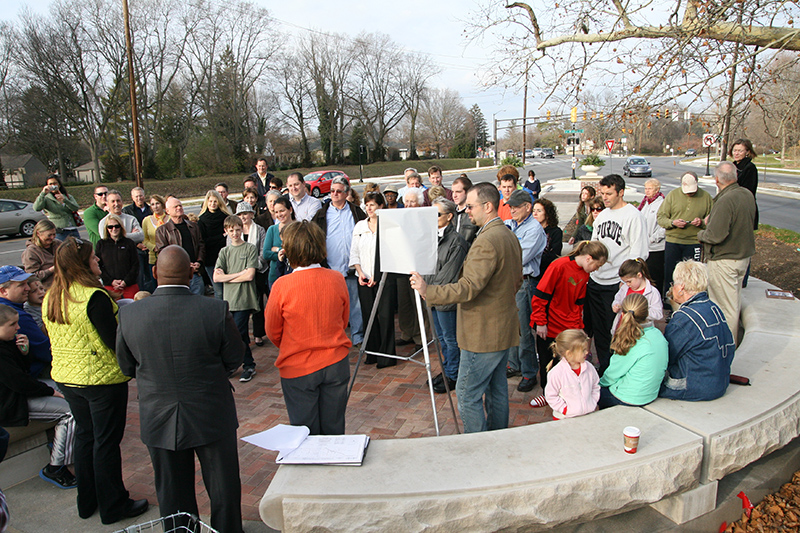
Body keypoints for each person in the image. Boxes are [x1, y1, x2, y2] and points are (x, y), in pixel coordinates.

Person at [117, 245, 244, 533]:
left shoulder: (130, 315)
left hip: (158, 412)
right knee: (223, 487)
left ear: (154, 273)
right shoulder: (214, 309)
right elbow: (234, 358)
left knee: (172, 492)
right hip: (211, 410)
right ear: (190, 273)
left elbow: (126, 367)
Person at [43, 237, 147, 524]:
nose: (97, 261)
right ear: (81, 265)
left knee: (87, 437)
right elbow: (113, 342)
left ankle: (86, 501)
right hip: (100, 382)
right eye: (92, 258)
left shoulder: (54, 295)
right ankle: (114, 505)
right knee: (106, 443)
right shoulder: (93, 297)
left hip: (67, 378)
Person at [410, 182, 523, 433]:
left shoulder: (487, 241)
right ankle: (495, 441)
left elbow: (468, 287)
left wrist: (429, 291)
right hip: (501, 328)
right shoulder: (507, 234)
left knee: (466, 394)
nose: (467, 212)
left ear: (488, 206)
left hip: (482, 334)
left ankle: (480, 449)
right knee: (496, 391)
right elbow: (516, 280)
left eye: (470, 207)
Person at [266, 221, 351, 435]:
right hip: (335, 363)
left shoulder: (282, 286)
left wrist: (293, 343)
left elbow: (273, 331)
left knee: (305, 434)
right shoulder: (337, 279)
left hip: (298, 367)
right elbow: (343, 319)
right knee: (334, 429)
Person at [0, 303, 77, 489]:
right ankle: (56, 467)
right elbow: (19, 382)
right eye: (12, 325)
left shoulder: (7, 342)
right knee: (71, 412)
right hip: (10, 402)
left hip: (20, 393)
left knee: (70, 391)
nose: (18, 328)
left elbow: (23, 372)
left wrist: (25, 352)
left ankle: (64, 445)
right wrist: (51, 392)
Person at [587, 174, 648, 376]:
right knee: (600, 331)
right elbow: (594, 246)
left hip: (616, 283)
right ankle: (605, 369)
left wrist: (626, 282)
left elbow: (639, 252)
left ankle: (618, 370)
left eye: (609, 193)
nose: (605, 197)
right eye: (602, 193)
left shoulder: (633, 215)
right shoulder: (602, 216)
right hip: (596, 280)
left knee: (616, 330)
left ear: (621, 192)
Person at [529, 241, 608, 396]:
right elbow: (540, 296)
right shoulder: (559, 266)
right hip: (549, 324)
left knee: (565, 363)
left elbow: (578, 303)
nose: (596, 270)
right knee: (547, 362)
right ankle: (548, 394)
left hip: (568, 326)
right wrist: (541, 322)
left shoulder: (584, 273)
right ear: (589, 258)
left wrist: (578, 325)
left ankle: (562, 393)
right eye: (597, 266)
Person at [697, 161, 756, 342]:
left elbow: (716, 235)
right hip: (742, 258)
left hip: (725, 260)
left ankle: (726, 347)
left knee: (724, 308)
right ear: (735, 177)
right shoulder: (746, 194)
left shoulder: (725, 200)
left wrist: (701, 233)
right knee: (734, 304)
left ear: (717, 180)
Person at [660, 260, 735, 401]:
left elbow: (666, 357)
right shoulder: (713, 307)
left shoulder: (684, 319)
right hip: (719, 382)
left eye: (673, 284)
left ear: (681, 287)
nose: (672, 288)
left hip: (694, 386)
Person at [311, 176, 367, 347]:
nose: (334, 194)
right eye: (332, 191)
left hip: (352, 268)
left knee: (355, 305)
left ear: (347, 193)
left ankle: (358, 337)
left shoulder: (357, 212)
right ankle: (336, 338)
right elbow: (314, 239)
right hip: (330, 268)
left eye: (338, 191)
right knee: (332, 307)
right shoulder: (321, 214)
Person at [424, 198, 469, 394]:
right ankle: (446, 369)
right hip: (432, 297)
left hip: (445, 299)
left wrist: (428, 290)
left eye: (438, 214)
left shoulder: (456, 241)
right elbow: (426, 265)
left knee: (451, 339)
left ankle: (453, 374)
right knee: (441, 338)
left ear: (449, 216)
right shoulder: (431, 236)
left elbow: (448, 275)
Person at [504, 190, 546, 393]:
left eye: (515, 206)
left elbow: (519, 258)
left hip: (524, 283)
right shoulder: (511, 224)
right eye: (510, 206)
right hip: (510, 282)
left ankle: (529, 372)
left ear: (527, 207)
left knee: (524, 331)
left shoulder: (534, 229)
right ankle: (514, 365)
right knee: (511, 327)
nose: (511, 210)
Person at [350, 192, 397, 368]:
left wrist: (378, 276)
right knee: (368, 316)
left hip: (384, 279)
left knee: (385, 317)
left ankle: (387, 356)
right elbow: (354, 252)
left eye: (373, 205)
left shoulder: (388, 227)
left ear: (381, 206)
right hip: (363, 279)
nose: (369, 208)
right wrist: (360, 272)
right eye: (367, 205)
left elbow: (392, 254)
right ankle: (372, 353)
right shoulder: (360, 226)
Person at [598, 293, 668, 408]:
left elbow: (612, 374)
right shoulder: (658, 335)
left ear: (624, 314)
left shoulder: (630, 340)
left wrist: (598, 384)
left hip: (626, 397)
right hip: (651, 394)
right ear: (647, 312)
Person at [213, 216, 259, 384]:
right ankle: (236, 363)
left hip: (244, 299)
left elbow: (250, 275)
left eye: (237, 229)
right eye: (231, 230)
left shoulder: (250, 248)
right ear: (226, 232)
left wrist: (227, 277)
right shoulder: (224, 252)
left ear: (242, 229)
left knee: (239, 332)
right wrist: (239, 274)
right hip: (229, 300)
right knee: (231, 334)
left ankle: (248, 365)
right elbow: (217, 278)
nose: (235, 233)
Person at [656, 172, 713, 302]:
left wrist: (702, 222)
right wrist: (672, 223)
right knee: (671, 272)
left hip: (694, 241)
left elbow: (713, 220)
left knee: (693, 276)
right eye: (687, 191)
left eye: (692, 191)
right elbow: (661, 217)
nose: (689, 194)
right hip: (674, 240)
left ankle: (692, 301)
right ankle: (670, 302)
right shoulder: (672, 196)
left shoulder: (706, 197)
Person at [0, 266, 52, 381]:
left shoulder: (9, 308)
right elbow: (46, 351)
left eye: (26, 283)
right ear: (4, 291)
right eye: (21, 285)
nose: (27, 288)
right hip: (35, 373)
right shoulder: (17, 316)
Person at [542, 329, 599, 419]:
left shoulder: (589, 368)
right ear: (569, 354)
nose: (587, 352)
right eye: (583, 350)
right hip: (564, 418)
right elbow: (551, 395)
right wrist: (564, 409)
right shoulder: (556, 373)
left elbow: (595, 385)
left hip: (587, 415)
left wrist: (592, 402)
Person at [233, 203, 268, 348]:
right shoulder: (234, 231)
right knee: (242, 306)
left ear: (252, 214)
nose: (243, 217)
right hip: (240, 273)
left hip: (258, 271)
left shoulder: (259, 230)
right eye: (240, 215)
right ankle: (243, 336)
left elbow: (263, 251)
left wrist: (252, 266)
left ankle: (259, 334)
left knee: (258, 304)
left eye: (246, 214)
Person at [155, 197, 206, 296]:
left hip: (195, 273)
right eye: (175, 206)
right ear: (168, 211)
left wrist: (199, 262)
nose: (179, 208)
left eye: (180, 205)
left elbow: (201, 245)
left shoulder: (193, 226)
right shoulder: (162, 231)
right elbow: (162, 252)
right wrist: (185, 264)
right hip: (177, 276)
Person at [610, 258, 663, 334]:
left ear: (639, 275)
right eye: (625, 282)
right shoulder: (624, 288)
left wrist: (641, 312)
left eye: (629, 281)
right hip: (622, 329)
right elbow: (617, 299)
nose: (628, 284)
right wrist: (615, 305)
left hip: (641, 332)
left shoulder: (652, 292)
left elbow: (658, 314)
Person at [96, 214, 140, 300]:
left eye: (117, 226)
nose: (114, 229)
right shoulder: (101, 244)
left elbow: (135, 264)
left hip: (129, 285)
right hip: (110, 286)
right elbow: (99, 266)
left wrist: (126, 281)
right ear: (106, 228)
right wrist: (111, 281)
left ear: (121, 227)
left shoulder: (129, 243)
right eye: (110, 227)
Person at [199, 190, 230, 300]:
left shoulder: (225, 217)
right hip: (210, 259)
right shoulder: (202, 220)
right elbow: (203, 241)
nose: (213, 204)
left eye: (215, 201)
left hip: (226, 257)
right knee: (218, 291)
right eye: (210, 201)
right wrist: (221, 237)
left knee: (229, 289)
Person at [123, 187, 154, 292]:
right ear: (132, 197)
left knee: (151, 274)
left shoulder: (151, 209)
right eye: (136, 196)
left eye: (141, 195)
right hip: (136, 248)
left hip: (151, 246)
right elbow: (127, 233)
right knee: (140, 275)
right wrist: (137, 244)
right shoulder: (127, 211)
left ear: (144, 196)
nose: (139, 198)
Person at [638, 179, 666, 296]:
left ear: (657, 189)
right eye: (646, 188)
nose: (647, 191)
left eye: (650, 189)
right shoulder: (645, 203)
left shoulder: (662, 203)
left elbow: (663, 226)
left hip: (657, 247)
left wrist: (653, 239)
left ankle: (657, 298)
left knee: (655, 276)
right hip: (644, 246)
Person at [32, 175, 80, 241]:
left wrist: (65, 200)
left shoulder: (67, 196)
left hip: (73, 229)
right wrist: (43, 193)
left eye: (55, 183)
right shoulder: (46, 198)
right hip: (59, 231)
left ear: (59, 184)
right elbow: (36, 208)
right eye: (50, 184)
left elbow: (75, 208)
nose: (53, 186)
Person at [263, 196, 296, 290]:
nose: (279, 214)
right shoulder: (272, 230)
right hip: (275, 276)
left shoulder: (299, 228)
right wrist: (281, 253)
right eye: (276, 212)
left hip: (294, 275)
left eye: (282, 211)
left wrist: (277, 249)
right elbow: (266, 254)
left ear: (290, 209)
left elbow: (298, 252)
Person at [21, 220, 62, 290]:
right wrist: (51, 270)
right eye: (49, 235)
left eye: (54, 234)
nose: (52, 238)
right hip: (48, 289)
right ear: (38, 233)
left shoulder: (58, 244)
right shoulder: (31, 252)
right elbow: (31, 277)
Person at [141, 195, 169, 293]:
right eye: (152, 204)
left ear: (162, 204)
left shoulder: (169, 219)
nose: (155, 206)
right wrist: (154, 247)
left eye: (157, 203)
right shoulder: (147, 220)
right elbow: (144, 239)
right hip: (153, 257)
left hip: (168, 256)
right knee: (156, 286)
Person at [730, 138, 759, 229]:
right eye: (735, 150)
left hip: (744, 208)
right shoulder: (732, 166)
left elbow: (748, 191)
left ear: (747, 152)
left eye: (740, 151)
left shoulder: (750, 168)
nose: (736, 153)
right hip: (732, 207)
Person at [533, 198, 563, 276]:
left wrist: (534, 258)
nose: (535, 214)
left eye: (539, 211)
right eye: (533, 211)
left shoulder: (555, 232)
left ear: (547, 214)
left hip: (546, 273)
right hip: (531, 273)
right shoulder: (530, 230)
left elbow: (554, 255)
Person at [451, 176, 477, 245]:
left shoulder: (475, 214)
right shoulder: (450, 213)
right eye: (453, 192)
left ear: (467, 192)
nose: (454, 195)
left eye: (458, 192)